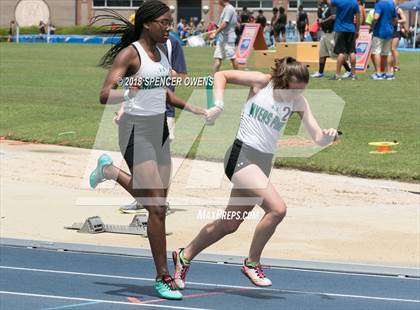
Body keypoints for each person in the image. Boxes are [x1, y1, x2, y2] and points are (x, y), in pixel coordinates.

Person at [172, 57, 339, 289]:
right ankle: (252, 263)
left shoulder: (299, 102)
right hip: (242, 155)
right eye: (294, 89)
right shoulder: (262, 83)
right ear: (282, 81)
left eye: (302, 89)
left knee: (229, 224)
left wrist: (328, 136)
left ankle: (184, 255)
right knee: (277, 209)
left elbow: (318, 137)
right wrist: (218, 104)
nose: (297, 94)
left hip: (262, 163)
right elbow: (222, 75)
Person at [89, 1, 205, 300]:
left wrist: (192, 108)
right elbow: (104, 95)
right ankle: (162, 276)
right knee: (155, 207)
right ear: (148, 24)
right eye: (165, 22)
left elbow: (163, 89)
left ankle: (109, 171)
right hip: (134, 130)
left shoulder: (165, 51)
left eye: (171, 22)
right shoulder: (131, 54)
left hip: (159, 130)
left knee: (158, 204)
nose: (170, 27)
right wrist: (129, 88)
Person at [312, 0, 352, 78]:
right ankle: (320, 73)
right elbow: (320, 17)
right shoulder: (323, 6)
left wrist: (323, 21)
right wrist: (319, 8)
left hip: (332, 32)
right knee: (322, 53)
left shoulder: (333, 5)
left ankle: (349, 70)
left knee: (337, 54)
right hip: (325, 33)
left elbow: (334, 16)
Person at [330, 0, 360, 80]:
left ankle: (337, 75)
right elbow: (358, 17)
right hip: (351, 29)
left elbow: (329, 2)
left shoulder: (338, 1)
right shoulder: (354, 2)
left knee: (341, 52)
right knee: (352, 52)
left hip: (340, 29)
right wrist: (357, 30)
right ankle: (353, 74)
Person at [370, 0, 397, 80]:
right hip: (389, 32)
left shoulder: (378, 4)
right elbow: (395, 19)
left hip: (379, 32)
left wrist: (372, 26)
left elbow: (376, 17)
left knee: (376, 52)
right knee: (388, 53)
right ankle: (389, 73)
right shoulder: (392, 3)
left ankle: (378, 73)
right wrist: (391, 26)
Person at [213, 0, 238, 75]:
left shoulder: (229, 9)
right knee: (217, 59)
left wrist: (215, 33)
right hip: (222, 39)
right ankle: (211, 79)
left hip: (228, 39)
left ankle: (239, 76)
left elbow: (225, 23)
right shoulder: (226, 8)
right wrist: (217, 29)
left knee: (232, 58)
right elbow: (222, 24)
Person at [391, 0, 406, 72]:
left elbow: (404, 20)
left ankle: (396, 66)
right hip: (389, 31)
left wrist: (397, 21)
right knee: (390, 50)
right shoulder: (389, 9)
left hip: (396, 32)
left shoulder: (398, 10)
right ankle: (392, 65)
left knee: (393, 49)